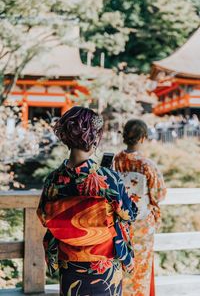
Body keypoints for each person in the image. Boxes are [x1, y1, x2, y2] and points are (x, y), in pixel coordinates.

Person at [37, 106, 137, 296]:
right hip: (104, 262)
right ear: (94, 138)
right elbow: (128, 214)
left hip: (70, 261)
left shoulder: (53, 179)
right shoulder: (108, 178)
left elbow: (44, 215)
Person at [114, 119, 167, 296]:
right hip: (142, 224)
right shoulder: (146, 165)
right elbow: (159, 193)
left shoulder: (115, 161)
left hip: (120, 222)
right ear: (143, 138)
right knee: (141, 265)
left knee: (121, 263)